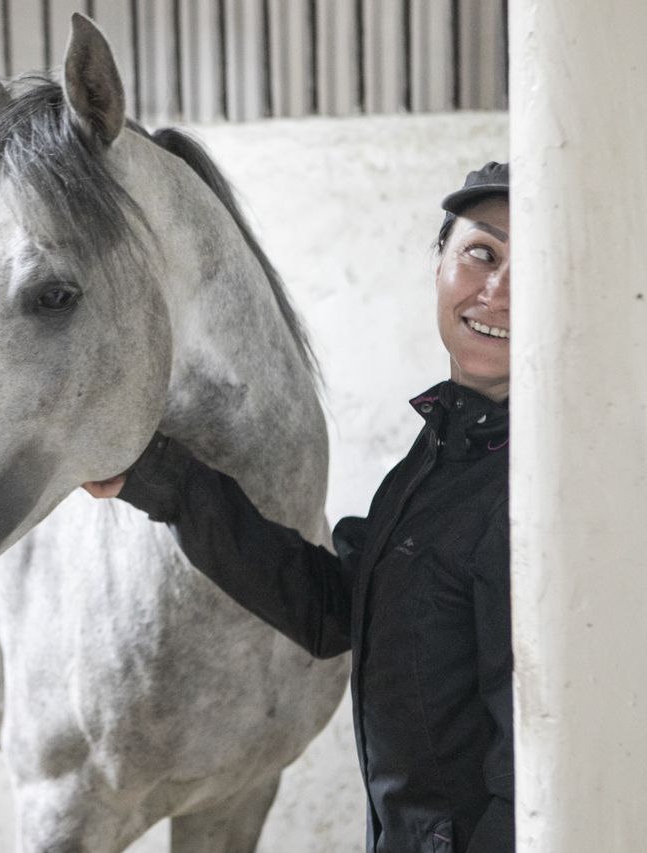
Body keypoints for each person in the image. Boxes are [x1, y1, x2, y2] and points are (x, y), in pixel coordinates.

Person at [84, 162, 513, 853]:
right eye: (480, 254)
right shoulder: (441, 453)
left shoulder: (528, 490)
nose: (497, 292)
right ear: (438, 264)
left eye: (532, 267)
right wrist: (161, 476)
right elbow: (333, 608)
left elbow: (530, 761)